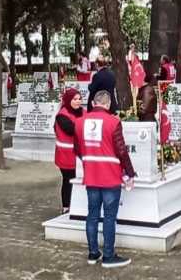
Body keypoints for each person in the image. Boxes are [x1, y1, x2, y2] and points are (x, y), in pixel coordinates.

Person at [74, 90, 135, 268]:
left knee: (92, 215)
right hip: (110, 176)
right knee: (109, 217)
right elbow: (121, 150)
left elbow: (77, 149)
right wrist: (130, 173)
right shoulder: (114, 122)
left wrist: (89, 160)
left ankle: (93, 253)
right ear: (108, 105)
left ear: (93, 103)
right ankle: (108, 255)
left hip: (91, 175)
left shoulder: (79, 122)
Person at [54, 88, 84, 213]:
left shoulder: (83, 112)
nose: (78, 102)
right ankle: (66, 207)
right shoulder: (62, 115)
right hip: (66, 156)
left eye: (79, 99)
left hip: (79, 155)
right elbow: (71, 129)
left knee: (78, 181)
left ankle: (77, 206)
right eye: (75, 99)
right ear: (68, 100)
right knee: (68, 181)